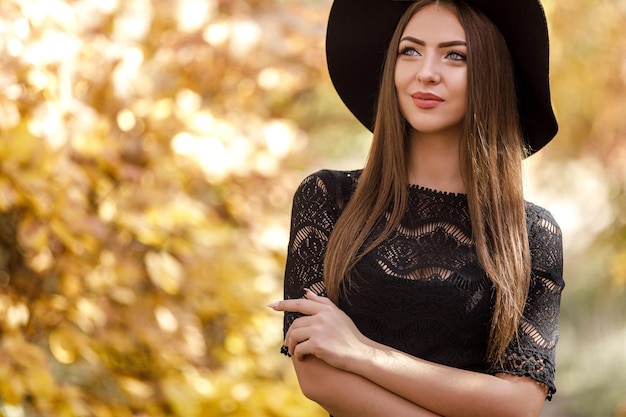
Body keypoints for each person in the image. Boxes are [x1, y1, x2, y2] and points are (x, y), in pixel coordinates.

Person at [269, 0, 564, 415]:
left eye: (455, 55)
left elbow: (517, 404)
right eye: (410, 50)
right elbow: (316, 374)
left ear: (490, 75)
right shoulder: (327, 198)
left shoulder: (532, 234)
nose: (426, 72)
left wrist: (364, 352)